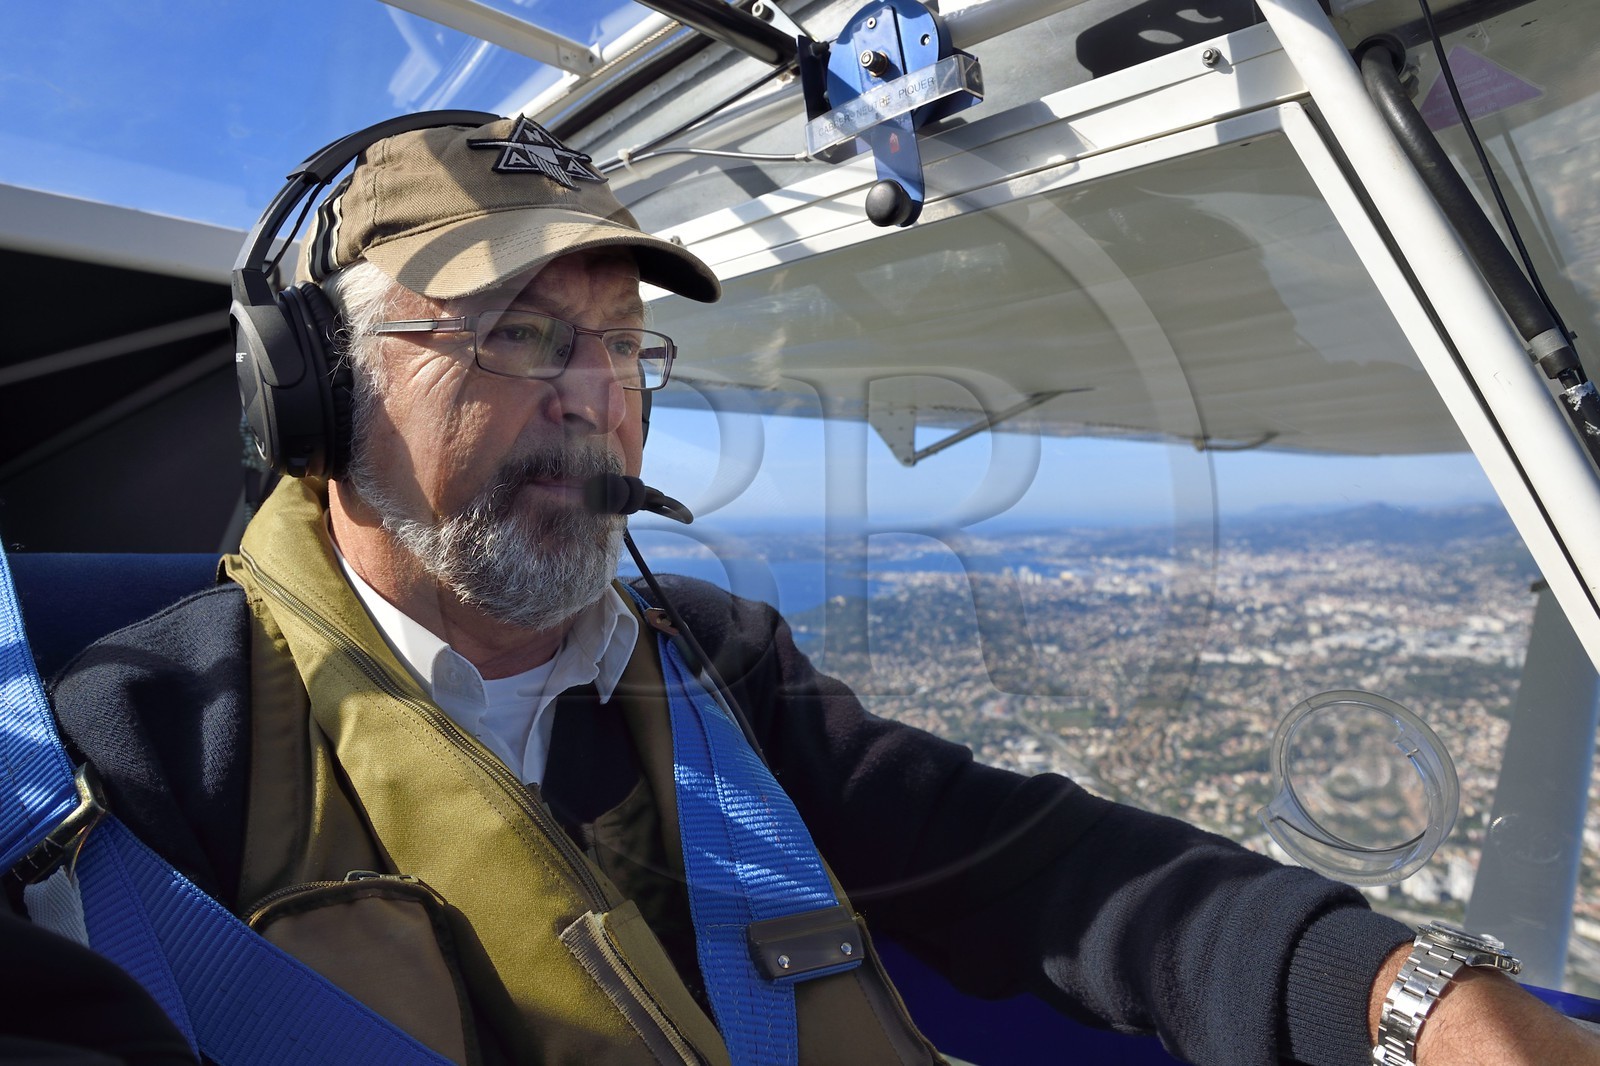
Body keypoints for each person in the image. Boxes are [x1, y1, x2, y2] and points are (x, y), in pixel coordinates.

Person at [40, 115, 1600, 1066]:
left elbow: (1045, 868)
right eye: (518, 334)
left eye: (617, 344)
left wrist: (1413, 1000)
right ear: (312, 396)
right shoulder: (139, 758)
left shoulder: (719, 670)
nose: (595, 397)